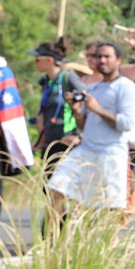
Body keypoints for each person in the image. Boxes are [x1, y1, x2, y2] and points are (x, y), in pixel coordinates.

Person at [46, 40, 135, 214]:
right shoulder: (93, 88)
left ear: (118, 60)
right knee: (56, 188)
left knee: (108, 209)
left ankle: (105, 242)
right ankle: (57, 238)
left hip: (111, 153)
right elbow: (84, 126)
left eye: (107, 56)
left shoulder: (126, 87)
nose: (102, 60)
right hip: (86, 149)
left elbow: (126, 124)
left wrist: (98, 109)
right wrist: (77, 112)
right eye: (98, 57)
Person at [31, 40, 84, 171]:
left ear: (49, 60)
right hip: (50, 141)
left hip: (67, 141)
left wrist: (78, 135)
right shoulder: (46, 82)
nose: (35, 62)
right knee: (47, 187)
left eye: (37, 59)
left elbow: (86, 99)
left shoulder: (68, 78)